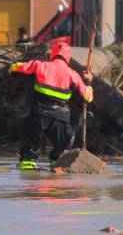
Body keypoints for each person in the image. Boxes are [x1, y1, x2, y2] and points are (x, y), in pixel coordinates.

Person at [9, 41, 93, 170]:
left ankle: (28, 167)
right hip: (61, 119)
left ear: (52, 55)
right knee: (62, 149)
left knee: (29, 154)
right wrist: (88, 82)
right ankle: (56, 164)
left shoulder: (39, 66)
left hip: (38, 116)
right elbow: (87, 98)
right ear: (68, 58)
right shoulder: (73, 75)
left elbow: (14, 68)